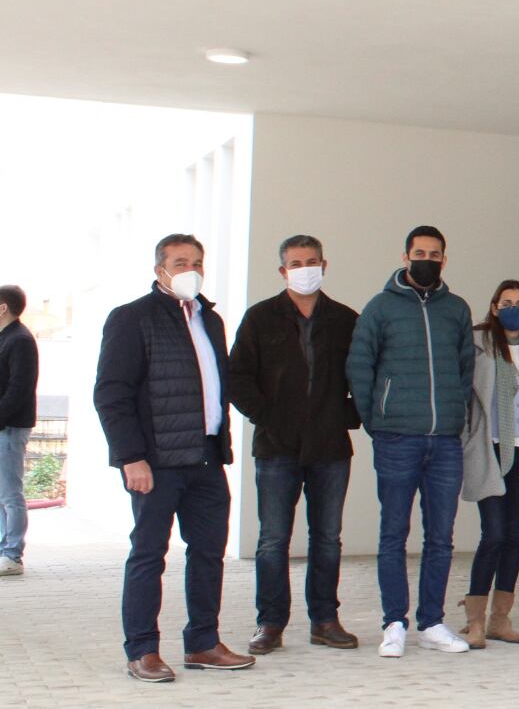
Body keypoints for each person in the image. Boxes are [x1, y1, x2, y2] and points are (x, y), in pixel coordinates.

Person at [94, 234, 254, 680]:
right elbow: (111, 394)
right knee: (149, 555)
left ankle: (203, 643)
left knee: (208, 554)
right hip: (157, 460)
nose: (191, 270)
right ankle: (142, 650)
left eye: (197, 262)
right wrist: (130, 457)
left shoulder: (211, 319)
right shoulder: (132, 319)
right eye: (180, 262)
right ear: (159, 270)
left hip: (206, 455)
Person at [346, 225, 477, 659]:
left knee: (440, 537)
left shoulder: (456, 309)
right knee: (392, 534)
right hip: (396, 437)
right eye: (419, 252)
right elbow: (360, 366)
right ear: (405, 257)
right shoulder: (380, 308)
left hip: (444, 441)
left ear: (444, 259)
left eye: (435, 253)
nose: (427, 258)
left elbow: (464, 367)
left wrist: (454, 415)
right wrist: (377, 419)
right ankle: (394, 623)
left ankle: (432, 623)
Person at [227, 235, 362, 652]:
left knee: (326, 537)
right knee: (272, 540)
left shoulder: (345, 319)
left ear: (325, 265)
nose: (305, 269)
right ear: (283, 270)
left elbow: (363, 375)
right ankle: (270, 623)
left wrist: (348, 415)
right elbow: (237, 378)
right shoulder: (259, 318)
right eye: (296, 263)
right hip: (276, 447)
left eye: (312, 261)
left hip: (330, 447)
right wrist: (267, 416)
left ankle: (325, 619)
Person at [458, 280, 519, 647]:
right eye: (507, 302)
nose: (515, 308)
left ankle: (500, 618)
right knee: (493, 534)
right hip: (489, 448)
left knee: (513, 538)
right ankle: (475, 620)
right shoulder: (478, 343)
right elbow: (465, 394)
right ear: (494, 307)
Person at [0, 283, 37, 577]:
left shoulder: (19, 340)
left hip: (10, 428)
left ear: (3, 307)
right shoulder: (6, 338)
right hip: (4, 426)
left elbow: (19, 390)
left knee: (11, 494)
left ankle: (13, 555)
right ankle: (4, 550)